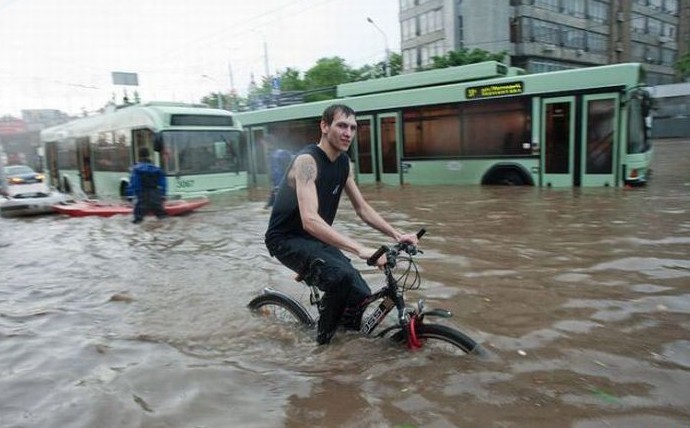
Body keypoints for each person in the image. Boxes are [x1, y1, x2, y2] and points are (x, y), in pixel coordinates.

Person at [264, 104, 419, 345]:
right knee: (341, 278)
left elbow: (362, 208)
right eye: (341, 125)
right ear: (324, 127)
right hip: (286, 239)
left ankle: (346, 340)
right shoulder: (307, 162)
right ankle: (324, 347)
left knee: (361, 294)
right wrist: (360, 249)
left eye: (353, 128)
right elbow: (310, 220)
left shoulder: (344, 163)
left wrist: (398, 235)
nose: (348, 133)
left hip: (316, 240)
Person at [128, 147, 167, 224]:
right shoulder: (157, 169)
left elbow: (135, 184)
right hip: (156, 197)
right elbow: (163, 184)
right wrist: (162, 196)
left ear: (139, 156)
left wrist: (131, 197)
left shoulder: (136, 169)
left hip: (143, 197)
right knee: (163, 219)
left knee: (137, 222)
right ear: (149, 155)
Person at [264, 138, 294, 209]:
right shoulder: (273, 155)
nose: (264, 147)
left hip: (281, 185)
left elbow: (281, 171)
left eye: (265, 144)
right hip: (278, 186)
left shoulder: (278, 155)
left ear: (270, 144)